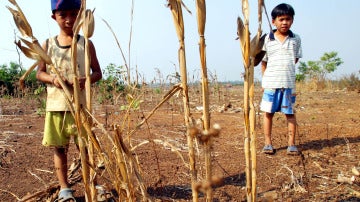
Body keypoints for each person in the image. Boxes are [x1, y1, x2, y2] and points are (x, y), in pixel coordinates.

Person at [36, 0, 102, 201]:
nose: (69, 20)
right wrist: (53, 79)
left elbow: (98, 72)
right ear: (53, 16)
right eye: (63, 15)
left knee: (85, 147)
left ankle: (94, 184)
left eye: (74, 14)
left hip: (81, 107)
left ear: (81, 16)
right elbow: (40, 73)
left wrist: (86, 80)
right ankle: (65, 188)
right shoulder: (47, 45)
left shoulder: (86, 43)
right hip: (57, 107)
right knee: (60, 148)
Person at [260, 3, 302, 155]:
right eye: (281, 19)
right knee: (268, 113)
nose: (284, 22)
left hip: (288, 84)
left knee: (289, 113)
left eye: (288, 19)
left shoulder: (295, 39)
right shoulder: (267, 39)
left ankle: (291, 144)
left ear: (292, 20)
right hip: (271, 83)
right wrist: (264, 82)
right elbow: (263, 63)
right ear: (274, 21)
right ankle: (267, 143)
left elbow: (295, 59)